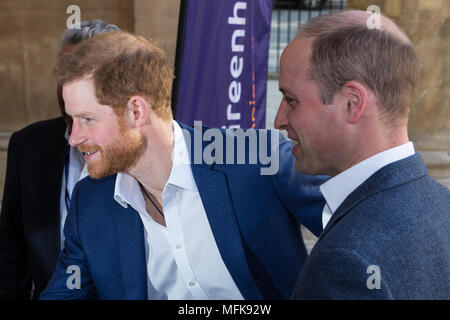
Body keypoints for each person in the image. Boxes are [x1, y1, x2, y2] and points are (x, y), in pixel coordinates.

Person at [39, 31, 327, 300]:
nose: (73, 138)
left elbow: (358, 232)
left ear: (136, 111)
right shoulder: (89, 202)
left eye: (86, 119)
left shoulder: (256, 158)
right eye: (71, 120)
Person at [274, 10, 450, 299]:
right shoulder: (443, 206)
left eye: (291, 100)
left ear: (351, 103)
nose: (279, 119)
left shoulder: (347, 262)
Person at [0, 19, 121, 300]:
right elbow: (11, 247)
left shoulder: (142, 149)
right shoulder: (28, 146)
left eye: (82, 78)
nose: (68, 91)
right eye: (64, 76)